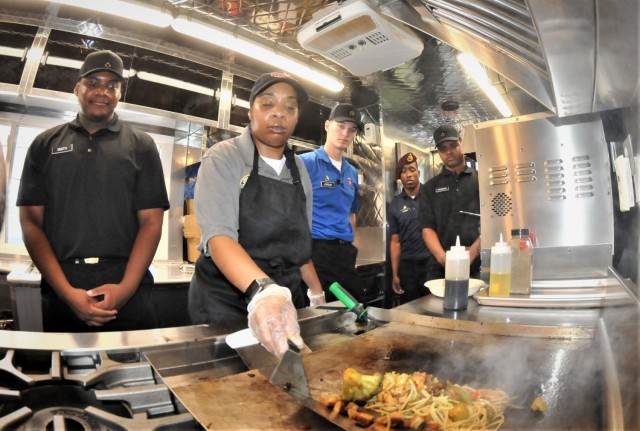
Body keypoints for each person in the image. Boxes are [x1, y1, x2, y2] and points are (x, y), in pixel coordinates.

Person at [17, 50, 170, 332]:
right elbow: (30, 222)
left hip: (128, 284)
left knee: (133, 374)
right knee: (67, 376)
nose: (102, 92)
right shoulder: (44, 144)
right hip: (63, 284)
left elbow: (151, 223)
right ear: (77, 88)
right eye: (93, 83)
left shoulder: (142, 145)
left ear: (120, 93)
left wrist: (125, 289)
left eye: (112, 85)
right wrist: (65, 292)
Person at [188, 72, 325, 358]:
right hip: (226, 300)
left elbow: (299, 245)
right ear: (250, 111)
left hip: (284, 296)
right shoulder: (224, 157)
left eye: (290, 107)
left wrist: (315, 292)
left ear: (297, 117)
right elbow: (219, 237)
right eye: (267, 104)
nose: (279, 114)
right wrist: (265, 292)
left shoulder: (299, 169)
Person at [299, 103, 365, 305]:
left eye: (352, 130)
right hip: (316, 253)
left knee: (356, 313)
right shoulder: (304, 163)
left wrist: (349, 245)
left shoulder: (352, 172)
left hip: (344, 255)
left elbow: (351, 214)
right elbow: (292, 214)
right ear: (327, 125)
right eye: (341, 126)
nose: (346, 133)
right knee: (319, 323)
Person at [420, 124, 481, 281]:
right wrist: (443, 258)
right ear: (439, 152)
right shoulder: (430, 187)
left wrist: (473, 252)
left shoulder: (481, 181)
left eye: (453, 145)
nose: (449, 152)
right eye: (443, 149)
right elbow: (427, 228)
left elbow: (493, 222)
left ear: (461, 143)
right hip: (440, 267)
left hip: (477, 263)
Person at [388, 152, 431, 305]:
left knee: (435, 308)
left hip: (431, 266)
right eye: (404, 171)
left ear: (418, 173)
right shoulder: (395, 205)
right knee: (411, 310)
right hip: (408, 269)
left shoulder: (432, 197)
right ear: (400, 178)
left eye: (412, 170)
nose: (409, 174)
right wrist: (395, 274)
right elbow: (395, 242)